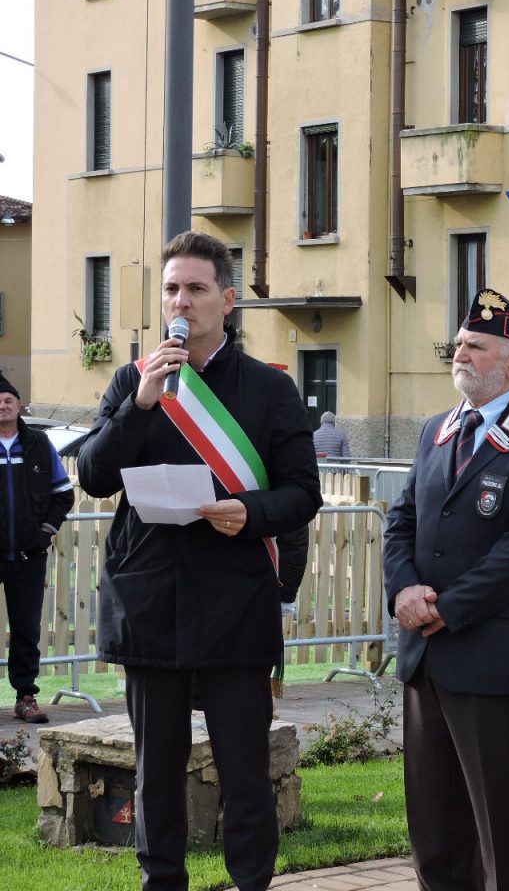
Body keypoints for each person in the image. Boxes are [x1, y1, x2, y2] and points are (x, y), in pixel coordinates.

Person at [77, 231, 322, 891]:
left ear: (228, 300)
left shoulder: (269, 390)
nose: (180, 302)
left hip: (236, 601)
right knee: (157, 772)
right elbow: (94, 475)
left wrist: (251, 513)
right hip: (150, 602)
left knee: (244, 772)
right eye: (170, 289)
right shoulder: (135, 379)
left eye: (195, 289)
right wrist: (141, 405)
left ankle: (251, 883)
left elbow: (303, 492)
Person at [383, 288, 509, 891]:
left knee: (500, 830)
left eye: (476, 346)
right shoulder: (435, 430)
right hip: (426, 656)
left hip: (493, 659)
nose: (460, 354)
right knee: (434, 828)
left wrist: (448, 607)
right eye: (461, 343)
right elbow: (402, 521)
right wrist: (402, 592)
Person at [0, 376, 74, 723]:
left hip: (28, 556)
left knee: (27, 628)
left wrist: (45, 531)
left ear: (19, 405)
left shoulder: (39, 445)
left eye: (8, 400)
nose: (3, 406)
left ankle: (25, 696)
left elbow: (63, 494)